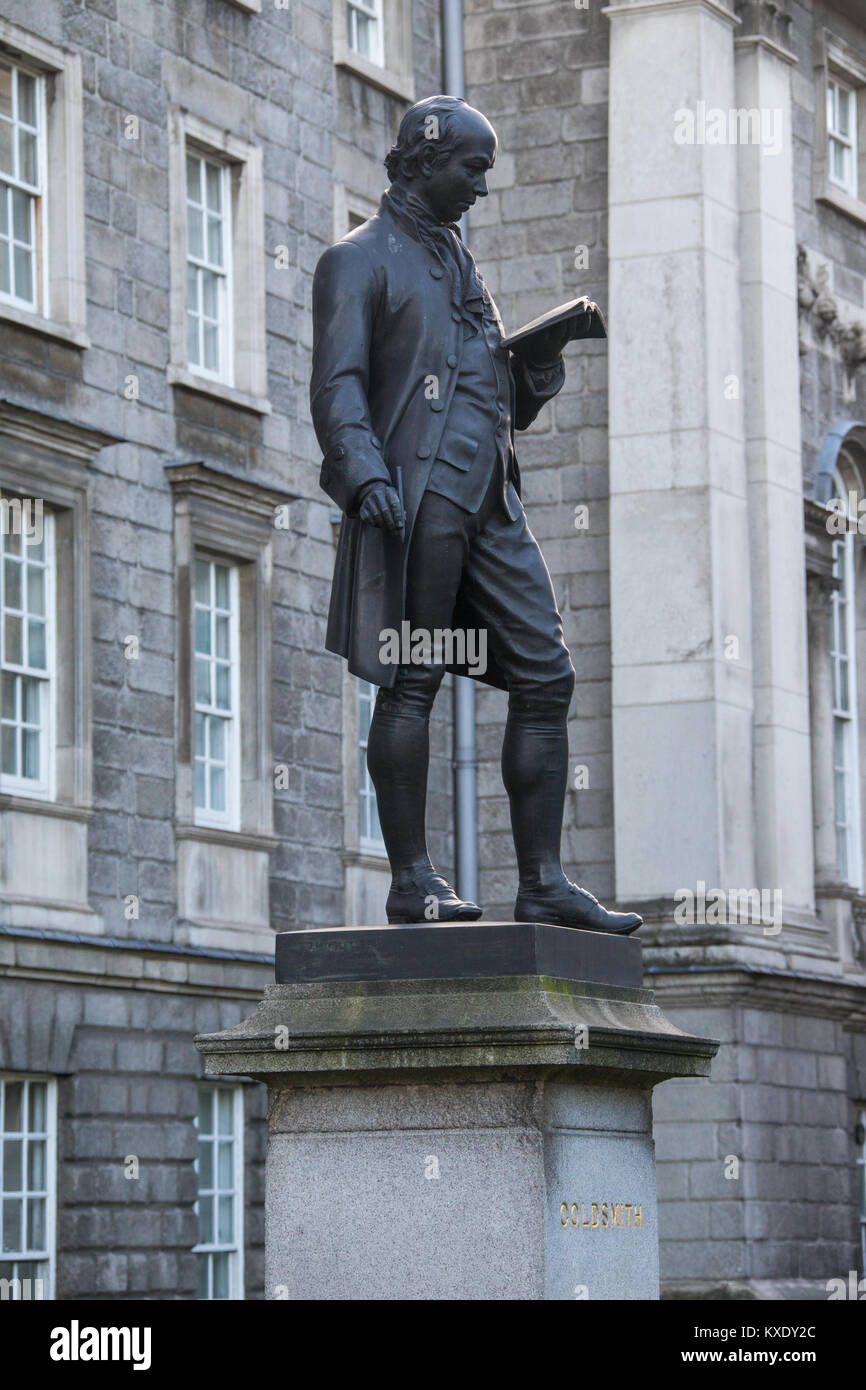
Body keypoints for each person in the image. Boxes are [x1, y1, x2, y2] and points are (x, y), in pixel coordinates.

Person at [310, 95, 641, 935]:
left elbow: (484, 387)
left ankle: (543, 884)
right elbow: (338, 385)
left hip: (489, 501)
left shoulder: (460, 261)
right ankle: (413, 882)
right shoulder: (357, 260)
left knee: (547, 674)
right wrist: (361, 472)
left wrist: (537, 361)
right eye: (474, 170)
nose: (483, 190)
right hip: (417, 504)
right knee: (414, 675)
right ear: (424, 162)